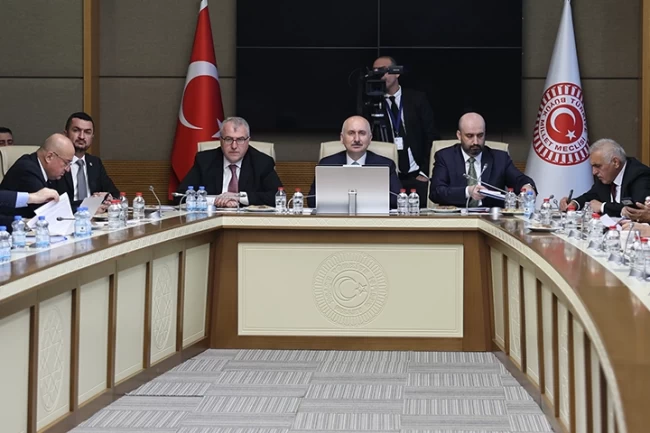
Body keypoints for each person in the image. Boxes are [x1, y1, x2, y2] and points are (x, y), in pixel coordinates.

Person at [369, 56, 439, 207]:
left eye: (384, 71)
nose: (380, 75)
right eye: (376, 72)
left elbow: (431, 136)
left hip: (417, 174)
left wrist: (425, 172)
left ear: (397, 73)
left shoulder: (417, 99)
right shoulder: (373, 104)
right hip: (389, 176)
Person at [429, 112, 536, 208]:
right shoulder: (445, 157)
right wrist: (468, 191)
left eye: (480, 135)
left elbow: (519, 179)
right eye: (469, 136)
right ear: (459, 135)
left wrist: (527, 186)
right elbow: (436, 192)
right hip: (457, 219)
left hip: (491, 219)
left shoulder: (500, 158)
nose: (475, 142)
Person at [177, 116, 282, 207]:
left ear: (248, 140)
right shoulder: (205, 160)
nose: (234, 146)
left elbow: (277, 197)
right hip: (212, 219)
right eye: (228, 139)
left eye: (240, 139)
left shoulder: (262, 162)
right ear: (221, 140)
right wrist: (217, 201)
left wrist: (238, 197)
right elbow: (180, 196)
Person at [308, 116, 402, 208]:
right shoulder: (327, 164)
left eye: (362, 133)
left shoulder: (386, 165)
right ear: (342, 138)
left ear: (370, 138)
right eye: (351, 133)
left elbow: (397, 200)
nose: (357, 139)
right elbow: (312, 201)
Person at [559, 139, 650, 217]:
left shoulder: (640, 175)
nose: (594, 172)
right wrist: (574, 203)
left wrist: (602, 207)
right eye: (592, 166)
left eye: (598, 166)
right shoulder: (607, 177)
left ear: (615, 162)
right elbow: (591, 196)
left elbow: (637, 209)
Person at [51, 112, 120, 209]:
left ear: (92, 137)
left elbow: (115, 193)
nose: (82, 136)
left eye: (87, 132)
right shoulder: (55, 161)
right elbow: (52, 204)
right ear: (65, 134)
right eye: (76, 130)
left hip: (96, 217)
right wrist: (89, 206)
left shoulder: (95, 162)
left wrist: (108, 197)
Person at [0, 133, 74, 218]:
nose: (68, 169)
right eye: (66, 163)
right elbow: (51, 212)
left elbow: (62, 202)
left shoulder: (49, 173)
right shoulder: (27, 170)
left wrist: (84, 203)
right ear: (49, 157)